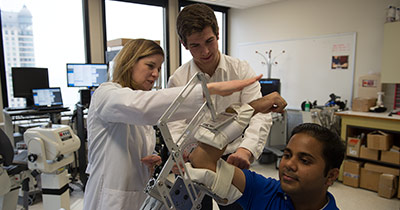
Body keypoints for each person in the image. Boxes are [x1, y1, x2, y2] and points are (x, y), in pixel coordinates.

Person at [82, 38, 268, 210]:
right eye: (150, 66)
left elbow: (135, 143)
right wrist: (210, 89)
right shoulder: (106, 94)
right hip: (108, 198)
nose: (155, 74)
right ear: (130, 61)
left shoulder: (138, 103)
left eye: (159, 68)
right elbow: (142, 107)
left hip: (136, 196)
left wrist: (154, 160)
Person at [168, 4, 272, 209]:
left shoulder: (241, 70)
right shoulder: (179, 79)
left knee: (235, 207)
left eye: (209, 41)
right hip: (195, 159)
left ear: (217, 34)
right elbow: (175, 125)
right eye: (196, 45)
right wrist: (184, 154)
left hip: (234, 156)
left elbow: (258, 114)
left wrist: (246, 150)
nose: (205, 51)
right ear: (184, 44)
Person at [187, 123, 346, 210]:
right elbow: (202, 160)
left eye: (304, 160)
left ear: (331, 176)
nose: (289, 164)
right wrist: (252, 110)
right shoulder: (266, 191)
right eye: (287, 155)